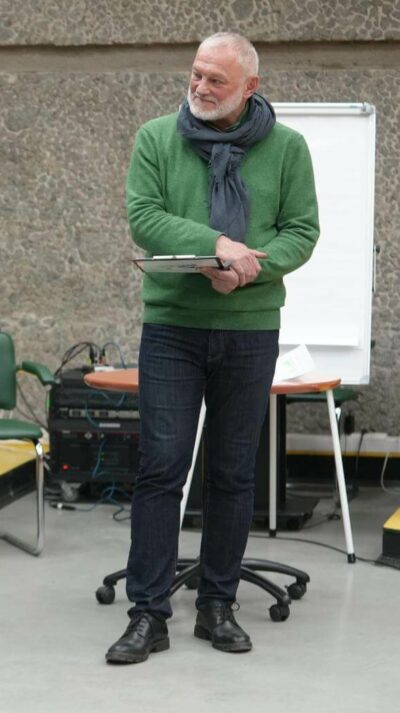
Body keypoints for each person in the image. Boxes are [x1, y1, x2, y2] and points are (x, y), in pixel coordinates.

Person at [106, 32, 319, 664]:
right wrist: (216, 245)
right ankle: (148, 614)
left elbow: (302, 230)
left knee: (232, 472)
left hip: (250, 328)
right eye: (196, 74)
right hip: (173, 327)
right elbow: (145, 217)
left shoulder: (287, 148)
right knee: (161, 467)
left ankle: (217, 606)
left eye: (216, 80)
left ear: (250, 87)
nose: (199, 87)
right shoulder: (156, 138)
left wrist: (250, 267)